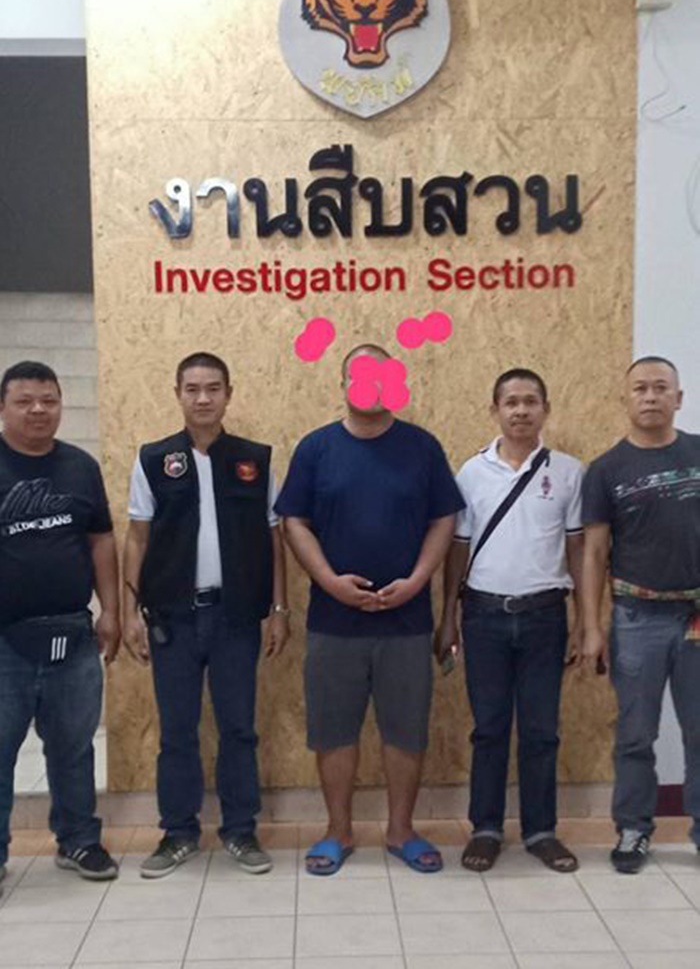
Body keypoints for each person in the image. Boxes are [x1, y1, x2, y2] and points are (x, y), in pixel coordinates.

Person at [276, 343, 464, 875]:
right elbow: (294, 522)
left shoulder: (422, 447)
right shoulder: (316, 449)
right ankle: (338, 830)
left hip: (406, 620)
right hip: (333, 621)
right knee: (334, 730)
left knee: (405, 729)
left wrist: (418, 580)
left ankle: (401, 830)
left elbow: (444, 520)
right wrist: (329, 582)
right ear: (342, 384)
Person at [122, 352, 288, 878]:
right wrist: (129, 611)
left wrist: (279, 608)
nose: (202, 398)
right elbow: (137, 537)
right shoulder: (154, 459)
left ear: (228, 394)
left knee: (239, 728)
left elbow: (275, 538)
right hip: (172, 619)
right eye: (192, 389)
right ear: (178, 394)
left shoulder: (254, 460)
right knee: (177, 731)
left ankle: (240, 829)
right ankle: (178, 832)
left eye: (213, 388)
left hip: (235, 617)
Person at [436, 368, 583, 873]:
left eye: (530, 401)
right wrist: (449, 616)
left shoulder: (568, 473)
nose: (521, 410)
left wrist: (586, 621)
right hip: (483, 617)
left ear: (546, 409)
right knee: (490, 728)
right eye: (511, 402)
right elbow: (457, 550)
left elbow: (579, 549)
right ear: (494, 410)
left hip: (545, 617)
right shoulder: (471, 473)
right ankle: (486, 829)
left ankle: (541, 831)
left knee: (541, 730)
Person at [0, 361, 120, 884]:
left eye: (48, 400)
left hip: (73, 635)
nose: (38, 410)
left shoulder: (79, 466)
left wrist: (110, 609)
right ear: (3, 407)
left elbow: (101, 540)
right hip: (4, 642)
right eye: (25, 401)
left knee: (73, 747)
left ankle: (79, 842)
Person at [581, 356, 700, 873]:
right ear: (625, 399)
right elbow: (593, 553)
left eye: (660, 388)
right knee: (635, 734)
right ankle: (633, 829)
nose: (650, 397)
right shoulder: (606, 470)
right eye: (640, 389)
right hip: (636, 618)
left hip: (697, 617)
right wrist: (591, 627)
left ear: (679, 398)